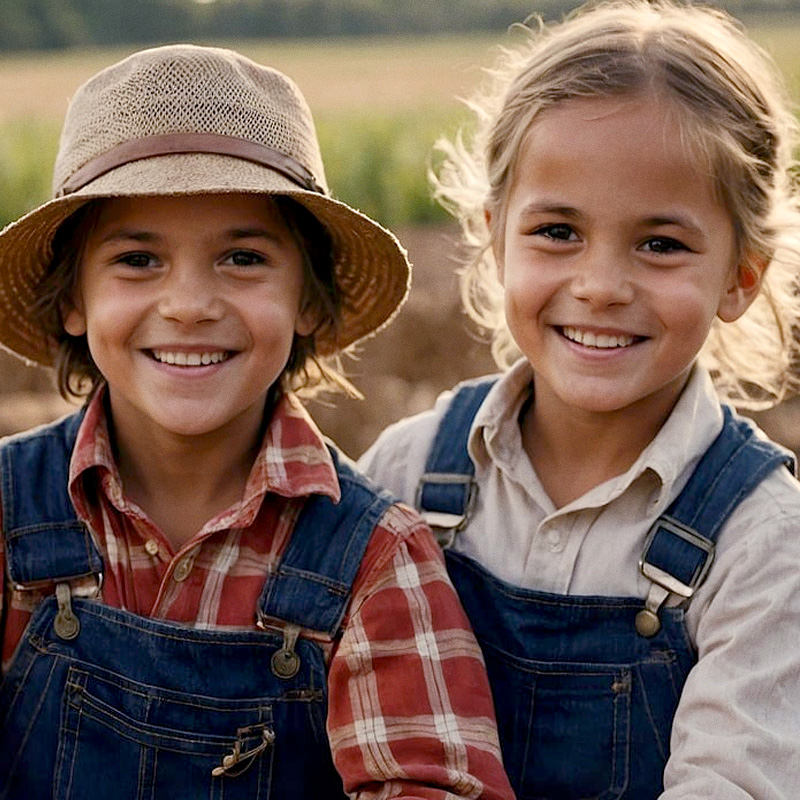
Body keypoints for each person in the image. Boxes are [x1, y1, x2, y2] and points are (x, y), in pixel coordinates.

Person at [0, 44, 515, 800]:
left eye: (242, 258)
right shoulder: (10, 508)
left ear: (308, 299)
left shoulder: (374, 560)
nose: (188, 304)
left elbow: (427, 780)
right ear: (73, 301)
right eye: (138, 260)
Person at [359, 2, 800, 797]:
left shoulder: (762, 545)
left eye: (660, 244)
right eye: (558, 231)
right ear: (495, 239)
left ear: (741, 277)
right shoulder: (406, 472)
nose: (600, 286)